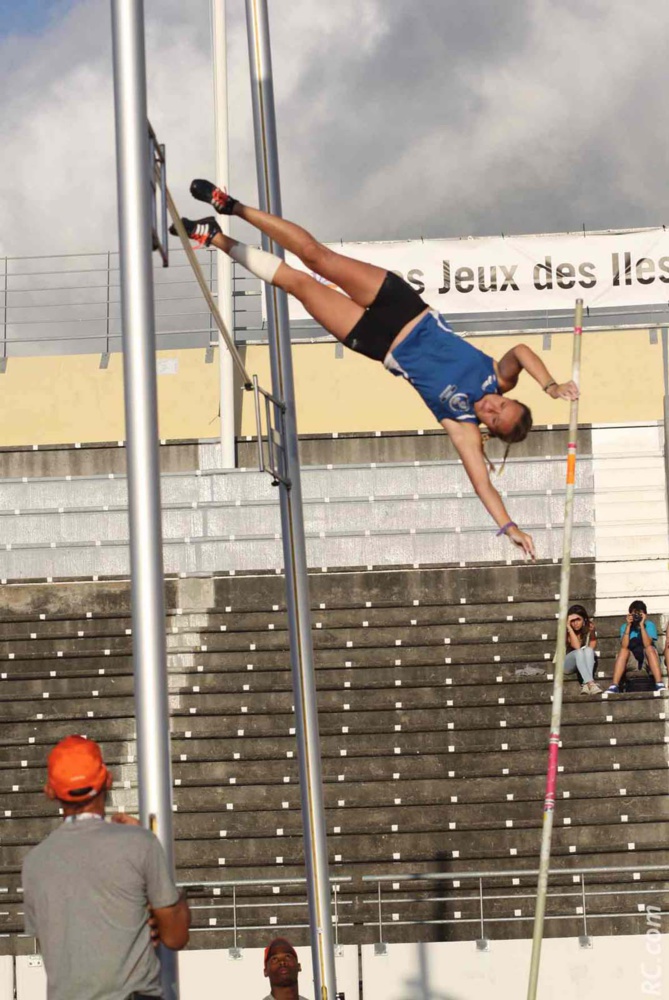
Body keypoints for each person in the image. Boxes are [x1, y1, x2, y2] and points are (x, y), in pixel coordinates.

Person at [171, 179, 579, 562]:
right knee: (317, 257)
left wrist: (508, 525)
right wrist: (550, 385)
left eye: (493, 418)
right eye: (501, 405)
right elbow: (523, 350)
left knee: (298, 284)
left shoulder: (462, 424)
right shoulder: (498, 375)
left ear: (490, 429)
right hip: (404, 308)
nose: (490, 407)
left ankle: (215, 237)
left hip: (378, 342)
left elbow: (482, 483)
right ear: (508, 395)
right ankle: (232, 206)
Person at [22, 735, 190, 1000]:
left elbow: (55, 944)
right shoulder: (138, 843)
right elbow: (176, 936)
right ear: (107, 780)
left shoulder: (34, 863)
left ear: (50, 791)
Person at [606, 600, 666, 694]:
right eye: (635, 614)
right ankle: (614, 685)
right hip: (632, 659)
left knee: (650, 648)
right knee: (623, 651)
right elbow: (624, 646)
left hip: (647, 659)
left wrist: (642, 626)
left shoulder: (649, 625)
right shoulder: (625, 627)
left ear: (645, 615)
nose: (637, 617)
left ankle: (659, 683)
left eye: (639, 614)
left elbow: (647, 644)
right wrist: (629, 626)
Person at [563, 603, 601, 694]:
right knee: (579, 652)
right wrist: (569, 627)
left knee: (588, 650)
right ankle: (591, 683)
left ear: (584, 619)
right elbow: (576, 646)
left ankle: (585, 684)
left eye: (578, 620)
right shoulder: (566, 631)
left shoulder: (587, 630)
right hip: (567, 664)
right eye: (572, 621)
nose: (575, 623)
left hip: (582, 662)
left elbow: (591, 648)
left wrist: (592, 633)